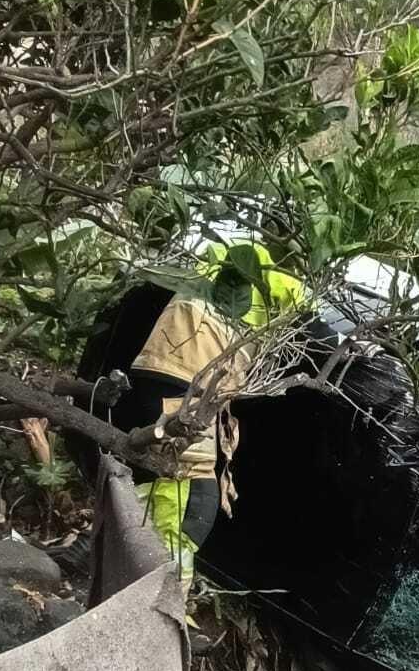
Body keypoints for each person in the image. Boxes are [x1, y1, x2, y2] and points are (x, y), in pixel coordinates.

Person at [129, 242, 304, 597]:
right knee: (196, 493)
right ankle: (161, 596)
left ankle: (128, 554)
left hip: (155, 368)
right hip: (187, 381)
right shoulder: (280, 281)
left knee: (160, 474)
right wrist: (369, 348)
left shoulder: (225, 255)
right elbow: (319, 325)